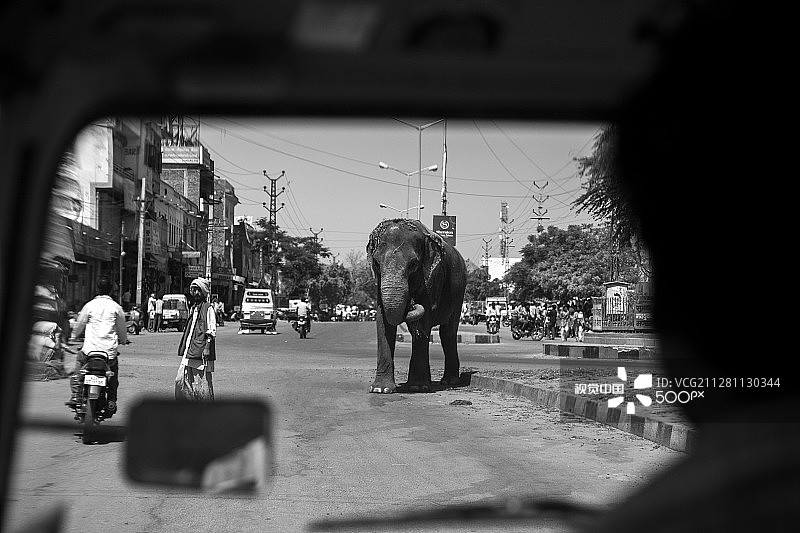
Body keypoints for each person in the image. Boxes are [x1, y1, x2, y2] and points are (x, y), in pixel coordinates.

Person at [66, 275, 128, 414]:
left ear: (97, 289)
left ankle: (76, 395)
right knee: (113, 376)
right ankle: (111, 400)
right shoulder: (116, 308)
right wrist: (123, 340)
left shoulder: (89, 306)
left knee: (78, 371)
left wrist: (73, 336)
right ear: (111, 291)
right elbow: (122, 331)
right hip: (108, 353)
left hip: (89, 351)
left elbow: (79, 325)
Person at [175, 277, 216, 401]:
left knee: (201, 382)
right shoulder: (194, 308)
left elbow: (212, 330)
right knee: (181, 380)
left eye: (199, 291)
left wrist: (207, 348)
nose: (196, 293)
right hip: (190, 349)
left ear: (203, 292)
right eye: (194, 290)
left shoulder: (208, 308)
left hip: (200, 351)